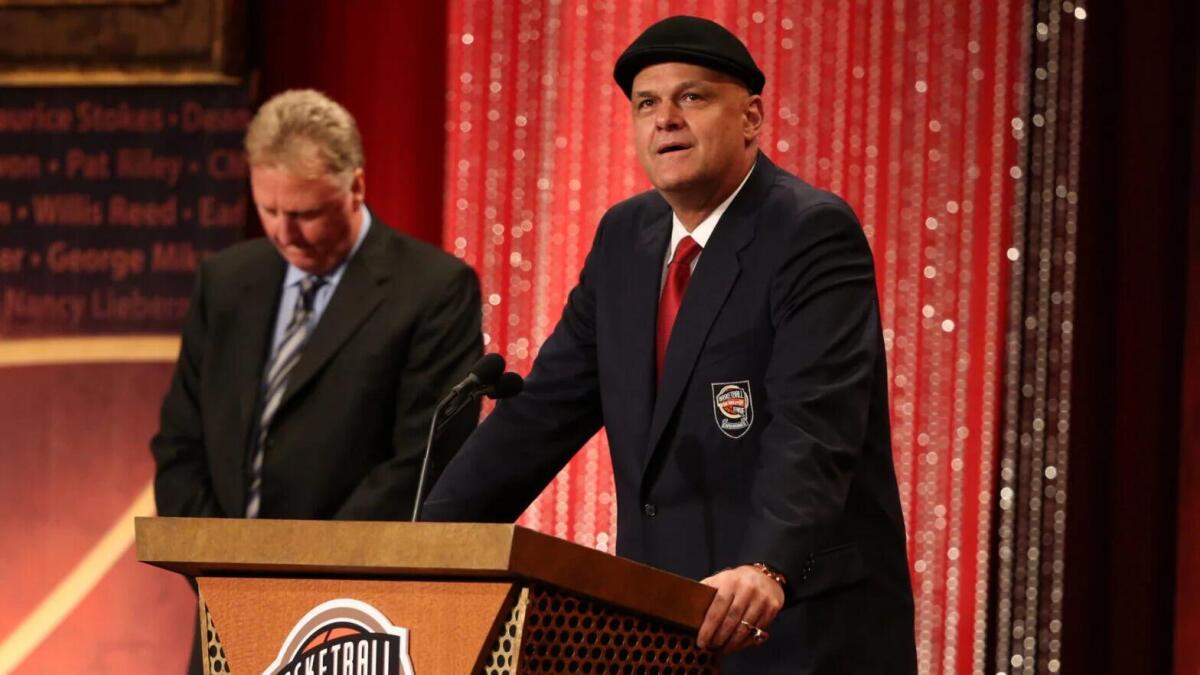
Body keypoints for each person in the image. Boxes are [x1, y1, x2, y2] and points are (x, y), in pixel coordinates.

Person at [422, 16, 916, 674]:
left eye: (692, 97)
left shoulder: (808, 232)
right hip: (660, 632)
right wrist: (422, 547)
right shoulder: (624, 239)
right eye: (646, 103)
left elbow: (814, 425)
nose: (666, 120)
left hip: (796, 627)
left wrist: (766, 564)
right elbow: (540, 412)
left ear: (751, 117)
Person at [150, 89, 483, 674]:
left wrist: (300, 579)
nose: (286, 233)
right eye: (269, 210)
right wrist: (222, 572)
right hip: (225, 614)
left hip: (353, 623)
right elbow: (180, 445)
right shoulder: (225, 282)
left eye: (305, 214)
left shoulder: (432, 290)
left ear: (356, 187)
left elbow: (420, 460)